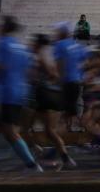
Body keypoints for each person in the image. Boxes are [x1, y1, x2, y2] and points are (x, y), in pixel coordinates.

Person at [0, 16, 42, 172]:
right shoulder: (20, 47)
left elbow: (0, 66)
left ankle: (32, 164)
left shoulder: (1, 43)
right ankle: (4, 153)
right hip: (20, 91)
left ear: (4, 27)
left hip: (7, 91)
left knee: (10, 131)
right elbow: (29, 71)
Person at [21, 34, 75, 169]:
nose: (31, 45)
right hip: (44, 96)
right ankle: (61, 157)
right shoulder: (44, 55)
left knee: (39, 130)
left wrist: (39, 81)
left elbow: (54, 75)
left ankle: (44, 152)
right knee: (44, 130)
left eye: (33, 42)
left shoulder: (40, 56)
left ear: (37, 44)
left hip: (43, 96)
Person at [52, 22, 89, 129]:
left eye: (58, 32)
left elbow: (59, 64)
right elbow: (87, 63)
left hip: (66, 82)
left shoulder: (60, 45)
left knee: (65, 110)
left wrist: (58, 79)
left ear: (63, 33)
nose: (56, 34)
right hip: (76, 82)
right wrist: (79, 72)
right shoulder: (78, 45)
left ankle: (89, 129)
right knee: (69, 110)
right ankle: (70, 129)